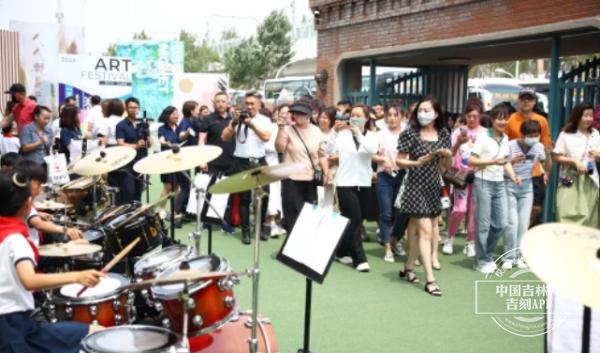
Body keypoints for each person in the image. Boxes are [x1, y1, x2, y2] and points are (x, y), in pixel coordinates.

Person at [0, 170, 104, 353]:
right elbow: (29, 280)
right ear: (27, 204)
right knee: (97, 335)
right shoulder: (15, 240)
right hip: (15, 329)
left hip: (12, 326)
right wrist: (77, 276)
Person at [396, 96, 452, 296]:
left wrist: (448, 155)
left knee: (422, 232)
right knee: (426, 232)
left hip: (433, 187)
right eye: (420, 110)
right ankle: (430, 279)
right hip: (414, 187)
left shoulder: (444, 133)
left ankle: (408, 267)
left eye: (427, 110)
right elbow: (399, 162)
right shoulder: (409, 133)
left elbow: (445, 167)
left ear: (437, 114)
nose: (423, 113)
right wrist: (418, 162)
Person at [469, 104, 521, 275]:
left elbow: (504, 161)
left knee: (501, 223)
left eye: (505, 118)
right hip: (483, 182)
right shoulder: (483, 137)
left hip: (500, 183)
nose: (503, 121)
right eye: (499, 118)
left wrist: (513, 176)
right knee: (483, 224)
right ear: (492, 119)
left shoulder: (505, 138)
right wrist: (492, 162)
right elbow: (471, 161)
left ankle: (487, 255)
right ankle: (481, 261)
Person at [326, 104, 377, 272]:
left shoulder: (371, 135)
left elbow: (371, 150)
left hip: (364, 183)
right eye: (352, 115)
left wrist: (358, 134)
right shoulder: (342, 135)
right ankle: (360, 258)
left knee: (354, 219)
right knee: (354, 218)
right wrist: (334, 131)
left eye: (358, 115)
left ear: (366, 118)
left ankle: (340, 250)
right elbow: (328, 150)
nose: (354, 118)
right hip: (345, 183)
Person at [221, 91, 272, 244]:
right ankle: (245, 231)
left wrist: (251, 123)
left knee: (264, 196)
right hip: (241, 162)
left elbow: (266, 137)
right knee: (244, 198)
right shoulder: (236, 119)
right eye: (247, 104)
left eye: (252, 104)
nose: (249, 107)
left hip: (259, 161)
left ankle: (261, 226)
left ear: (259, 105)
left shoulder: (264, 120)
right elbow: (224, 137)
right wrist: (234, 123)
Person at [503, 120, 548, 269]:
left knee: (523, 225)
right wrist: (513, 161)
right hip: (509, 185)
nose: (533, 138)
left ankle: (520, 256)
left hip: (527, 187)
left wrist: (549, 155)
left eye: (536, 135)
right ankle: (509, 257)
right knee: (512, 223)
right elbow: (502, 164)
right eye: (530, 135)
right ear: (522, 135)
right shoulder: (510, 145)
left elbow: (546, 164)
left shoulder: (539, 147)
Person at [505, 88, 552, 227]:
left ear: (534, 101)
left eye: (529, 99)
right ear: (518, 100)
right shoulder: (511, 119)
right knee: (514, 210)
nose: (526, 102)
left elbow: (545, 146)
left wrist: (546, 172)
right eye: (523, 98)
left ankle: (525, 229)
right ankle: (519, 230)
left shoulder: (542, 120)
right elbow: (504, 144)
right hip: (515, 171)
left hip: (535, 170)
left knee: (536, 208)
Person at [442, 102, 485, 256]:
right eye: (469, 116)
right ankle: (449, 237)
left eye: (475, 115)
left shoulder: (486, 133)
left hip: (479, 176)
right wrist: (459, 142)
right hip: (460, 177)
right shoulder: (457, 132)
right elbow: (450, 154)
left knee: (474, 210)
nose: (472, 119)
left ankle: (470, 242)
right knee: (460, 209)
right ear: (465, 116)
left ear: (480, 115)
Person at [276, 101, 322, 235]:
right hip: (291, 178)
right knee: (292, 213)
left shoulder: (316, 131)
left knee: (310, 213)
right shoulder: (287, 129)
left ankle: (304, 244)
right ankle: (292, 244)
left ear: (309, 115)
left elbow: (322, 154)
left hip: (310, 178)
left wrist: (326, 173)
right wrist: (281, 129)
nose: (297, 116)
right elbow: (279, 148)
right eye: (295, 113)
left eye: (301, 113)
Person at [553, 103, 600, 226]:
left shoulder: (595, 134)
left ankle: (587, 244)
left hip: (590, 179)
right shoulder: (566, 135)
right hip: (570, 179)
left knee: (590, 216)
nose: (589, 119)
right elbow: (557, 156)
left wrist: (597, 155)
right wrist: (574, 161)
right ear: (577, 116)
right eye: (585, 115)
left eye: (591, 115)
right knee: (567, 213)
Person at [15, 160, 83, 245]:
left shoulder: (17, 199)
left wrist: (38, 213)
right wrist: (65, 230)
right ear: (25, 182)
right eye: (38, 184)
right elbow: (38, 224)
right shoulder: (25, 202)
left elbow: (28, 217)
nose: (40, 189)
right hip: (29, 251)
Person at [372, 105, 406, 263]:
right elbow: (371, 155)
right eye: (389, 115)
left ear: (401, 116)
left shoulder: (407, 134)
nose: (392, 118)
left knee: (400, 213)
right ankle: (387, 247)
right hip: (384, 177)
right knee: (386, 213)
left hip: (403, 176)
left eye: (395, 114)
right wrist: (382, 160)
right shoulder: (379, 134)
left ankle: (395, 240)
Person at [199, 92, 236, 234]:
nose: (220, 104)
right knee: (211, 192)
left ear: (228, 103)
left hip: (231, 161)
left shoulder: (234, 119)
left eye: (223, 101)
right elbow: (202, 140)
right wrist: (202, 160)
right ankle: (207, 221)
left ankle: (225, 223)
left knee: (228, 195)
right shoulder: (208, 119)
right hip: (213, 162)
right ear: (214, 103)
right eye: (218, 101)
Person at [115, 97, 147, 204]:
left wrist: (147, 141)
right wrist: (136, 145)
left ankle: (137, 216)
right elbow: (120, 143)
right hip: (127, 162)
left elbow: (149, 141)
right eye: (131, 108)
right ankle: (127, 216)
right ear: (126, 109)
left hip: (141, 160)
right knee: (129, 190)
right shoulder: (121, 125)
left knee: (139, 190)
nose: (134, 110)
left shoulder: (143, 124)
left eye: (136, 107)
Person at [175, 100, 200, 224]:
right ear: (191, 111)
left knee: (186, 186)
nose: (198, 111)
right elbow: (180, 136)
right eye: (196, 109)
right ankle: (176, 213)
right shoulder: (185, 122)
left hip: (188, 159)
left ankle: (182, 212)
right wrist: (187, 133)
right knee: (185, 187)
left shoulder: (193, 121)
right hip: (182, 159)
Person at [157, 106, 181, 220]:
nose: (176, 115)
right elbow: (161, 140)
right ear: (167, 116)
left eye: (177, 113)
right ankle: (161, 209)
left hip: (179, 161)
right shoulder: (162, 129)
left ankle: (174, 210)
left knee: (176, 187)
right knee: (167, 187)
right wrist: (168, 144)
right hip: (166, 160)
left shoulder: (180, 128)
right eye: (173, 114)